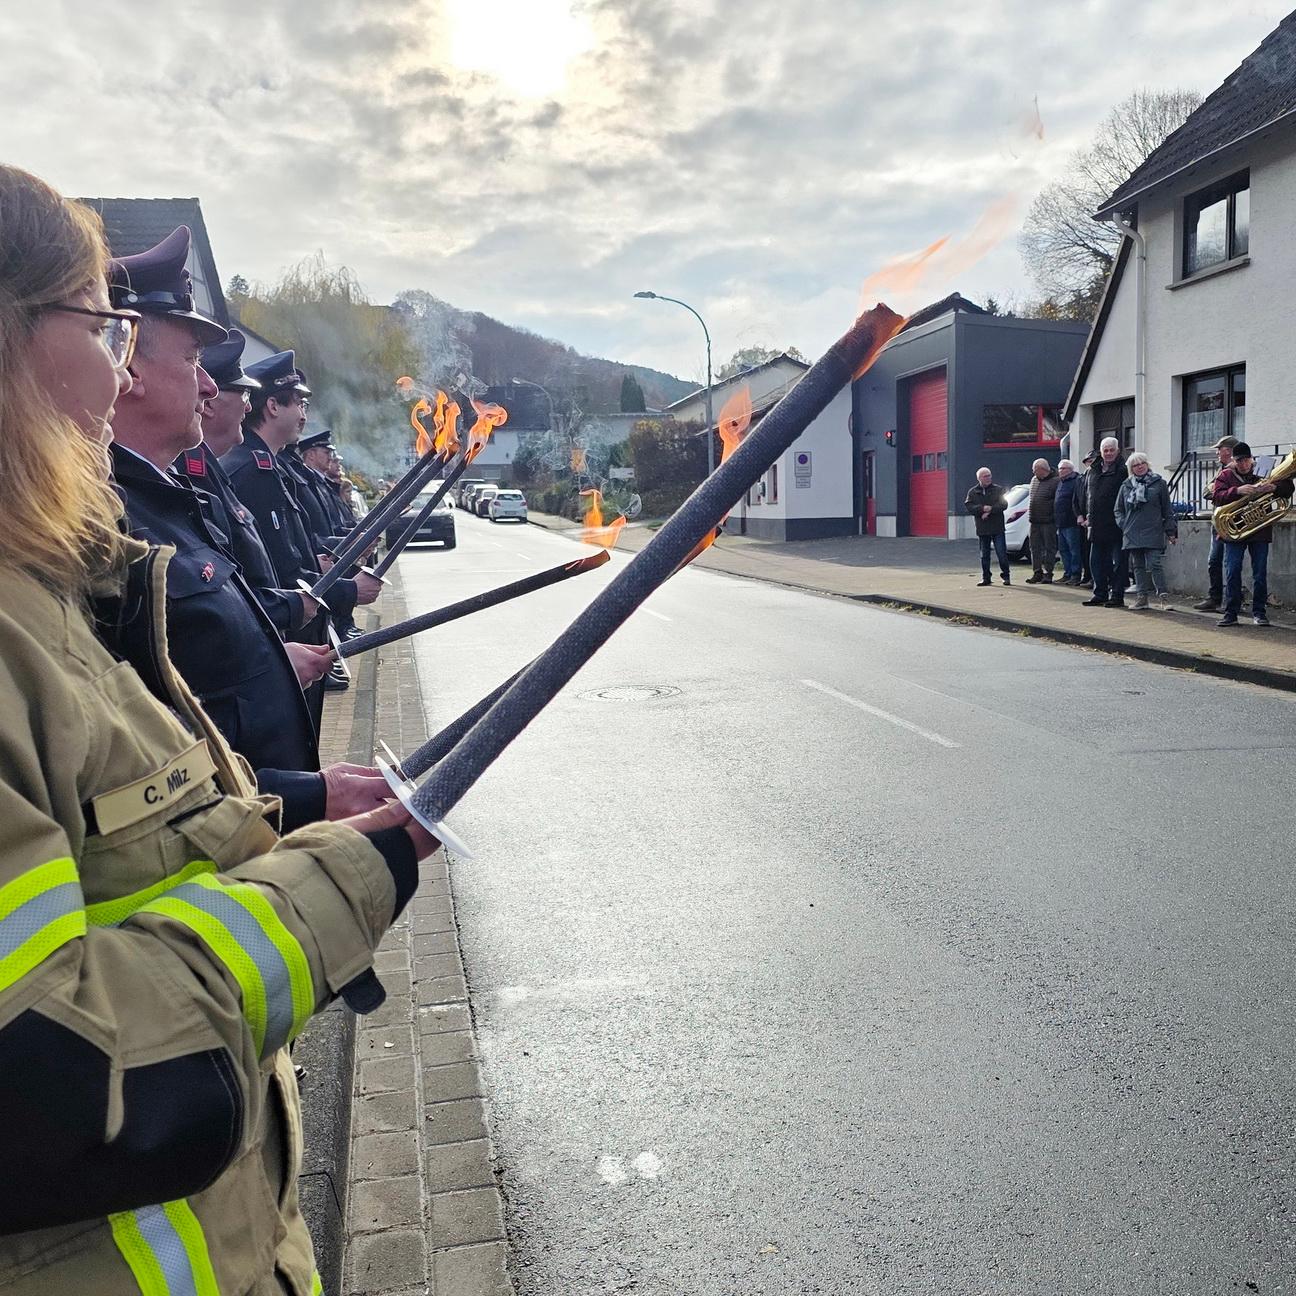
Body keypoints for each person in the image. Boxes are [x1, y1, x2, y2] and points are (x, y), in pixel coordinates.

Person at [0, 162, 436, 1294]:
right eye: (104, 328)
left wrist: (290, 808)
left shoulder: (49, 588)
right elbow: (42, 1077)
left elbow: (127, 825)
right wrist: (341, 877)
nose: (124, 368)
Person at [106, 228, 332, 774]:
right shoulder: (108, 517)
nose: (209, 388)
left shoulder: (164, 497)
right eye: (193, 360)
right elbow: (154, 740)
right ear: (130, 366)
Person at [173, 326, 319, 640]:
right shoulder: (226, 471)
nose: (249, 406)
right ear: (209, 404)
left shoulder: (215, 472)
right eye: (242, 393)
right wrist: (289, 607)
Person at [1212, 441, 1275, 627]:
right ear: (1234, 461)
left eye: (1246, 460)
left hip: (1259, 530)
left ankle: (1260, 613)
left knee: (1260, 573)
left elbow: (1288, 489)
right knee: (1232, 571)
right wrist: (1237, 490)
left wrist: (1275, 488)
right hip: (1235, 531)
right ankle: (1231, 613)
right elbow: (1216, 496)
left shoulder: (1263, 471)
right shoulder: (1226, 475)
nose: (1244, 464)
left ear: (1251, 459)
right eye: (1239, 461)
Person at [1115, 452, 1177, 610]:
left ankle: (1163, 597)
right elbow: (1118, 510)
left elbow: (1167, 509)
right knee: (1138, 565)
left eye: (1142, 463)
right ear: (1131, 468)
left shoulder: (1158, 483)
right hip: (1132, 532)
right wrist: (1124, 525)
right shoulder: (1126, 485)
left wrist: (1170, 531)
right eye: (1136, 465)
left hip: (1153, 529)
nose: (1140, 466)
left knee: (1155, 563)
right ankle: (1142, 598)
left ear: (1147, 464)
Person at [1079, 437, 1130, 607]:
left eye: (1111, 450)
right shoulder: (1093, 470)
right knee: (1096, 561)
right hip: (1096, 523)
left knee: (1118, 563)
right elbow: (1088, 495)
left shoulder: (1124, 470)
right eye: (1105, 450)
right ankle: (1099, 593)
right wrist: (1087, 516)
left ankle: (1117, 595)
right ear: (1100, 452)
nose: (1108, 453)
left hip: (1116, 524)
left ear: (1118, 450)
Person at [1194, 434, 1239, 612]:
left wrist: (1221, 492)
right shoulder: (1221, 471)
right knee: (1214, 561)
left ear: (1228, 451)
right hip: (1218, 522)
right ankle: (1215, 598)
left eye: (1219, 450)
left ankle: (1231, 600)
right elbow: (1207, 491)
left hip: (1234, 522)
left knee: (1231, 563)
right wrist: (1219, 493)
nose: (1217, 454)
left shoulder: (1240, 469)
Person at [964, 467, 1010, 586]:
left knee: (1001, 553)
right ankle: (986, 577)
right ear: (979, 478)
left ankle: (1006, 576)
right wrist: (982, 509)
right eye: (985, 476)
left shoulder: (998, 490)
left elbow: (1004, 504)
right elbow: (969, 506)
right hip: (983, 528)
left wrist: (991, 510)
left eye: (989, 475)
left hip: (997, 527)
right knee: (984, 555)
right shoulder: (973, 492)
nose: (988, 478)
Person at [1025, 457, 1059, 584]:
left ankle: (1048, 573)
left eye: (1035, 470)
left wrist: (1053, 516)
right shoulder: (1034, 480)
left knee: (1050, 547)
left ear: (1043, 469)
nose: (1033, 473)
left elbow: (1057, 501)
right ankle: (1037, 572)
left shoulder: (1056, 481)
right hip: (1034, 520)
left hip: (1048, 521)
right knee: (1034, 547)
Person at [1053, 459, 1084, 585]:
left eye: (1063, 468)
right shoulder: (1060, 483)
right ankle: (1067, 573)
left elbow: (1077, 501)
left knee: (1074, 549)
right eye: (1059, 468)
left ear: (1070, 470)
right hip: (1061, 523)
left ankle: (1076, 574)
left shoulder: (1076, 481)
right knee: (1063, 550)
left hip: (1071, 522)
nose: (1060, 471)